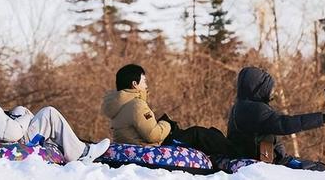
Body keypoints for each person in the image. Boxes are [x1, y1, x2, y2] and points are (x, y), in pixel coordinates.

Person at [0, 63, 110, 163]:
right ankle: (82, 153)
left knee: (19, 109)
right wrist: (25, 118)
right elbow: (13, 133)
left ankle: (61, 143)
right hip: (13, 143)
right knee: (49, 113)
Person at [101, 64, 237, 158]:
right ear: (135, 84)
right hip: (149, 146)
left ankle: (222, 145)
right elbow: (153, 136)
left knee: (209, 133)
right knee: (198, 133)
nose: (146, 85)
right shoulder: (136, 105)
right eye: (144, 81)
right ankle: (236, 153)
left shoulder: (118, 105)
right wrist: (166, 124)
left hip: (136, 144)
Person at [227, 66, 325, 171]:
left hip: (264, 158)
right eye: (267, 88)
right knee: (322, 171)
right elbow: (284, 124)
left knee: (318, 168)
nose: (271, 92)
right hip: (271, 162)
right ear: (257, 88)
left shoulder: (240, 106)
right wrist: (323, 118)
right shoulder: (254, 109)